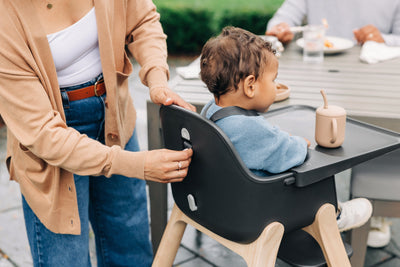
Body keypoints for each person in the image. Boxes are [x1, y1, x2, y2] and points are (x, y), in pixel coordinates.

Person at [0, 0, 194, 266]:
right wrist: (138, 165)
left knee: (131, 248)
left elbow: (142, 20)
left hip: (114, 116)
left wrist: (157, 78)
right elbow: (43, 133)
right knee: (65, 257)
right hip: (51, 141)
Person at [199, 26, 372, 233]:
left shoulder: (211, 109)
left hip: (222, 201)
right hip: (257, 211)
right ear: (250, 86)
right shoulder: (250, 129)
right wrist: (300, 143)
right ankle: (332, 215)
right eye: (273, 80)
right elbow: (289, 153)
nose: (276, 85)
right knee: (313, 168)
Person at [265, 0, 400, 46]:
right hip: (316, 67)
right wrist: (279, 28)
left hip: (376, 73)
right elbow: (283, 18)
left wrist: (383, 40)